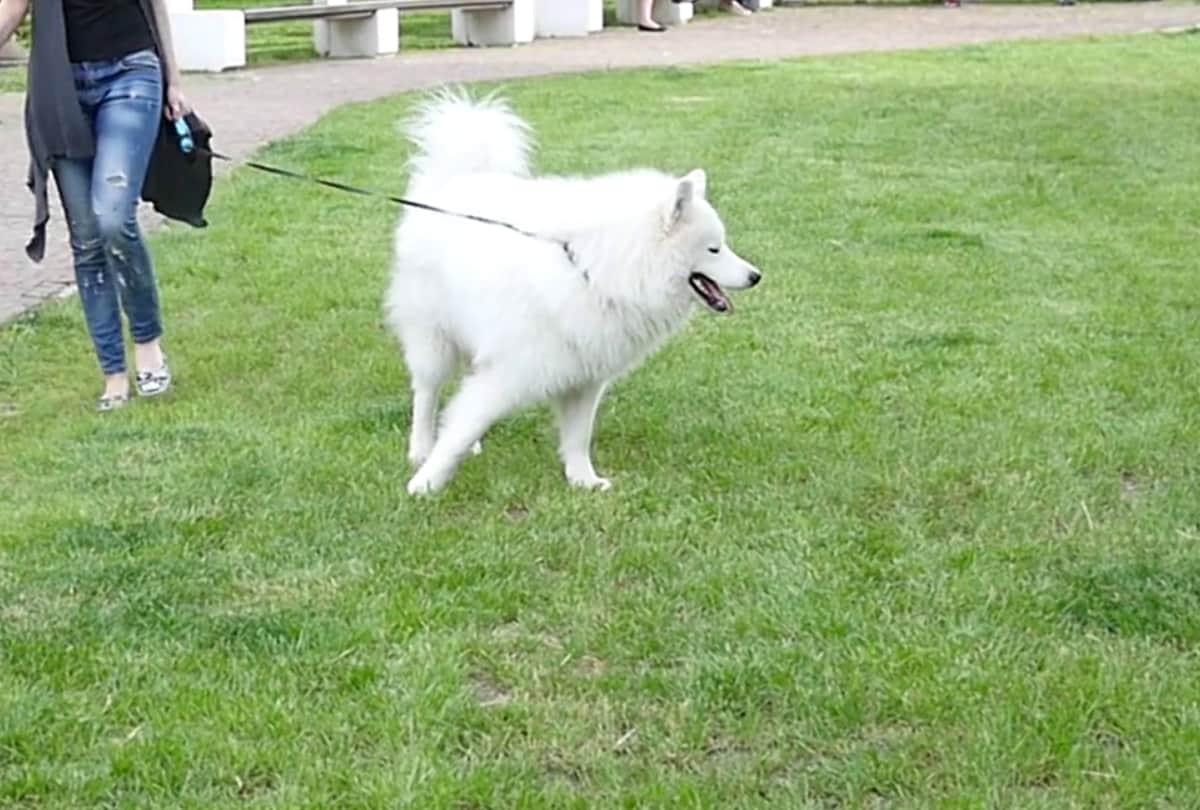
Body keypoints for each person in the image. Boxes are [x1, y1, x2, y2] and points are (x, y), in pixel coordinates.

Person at [0, 0, 191, 411]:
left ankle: (147, 344)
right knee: (86, 237)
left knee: (112, 217)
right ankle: (113, 374)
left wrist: (174, 79)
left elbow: (156, 6)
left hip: (130, 71)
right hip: (61, 90)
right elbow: (12, 10)